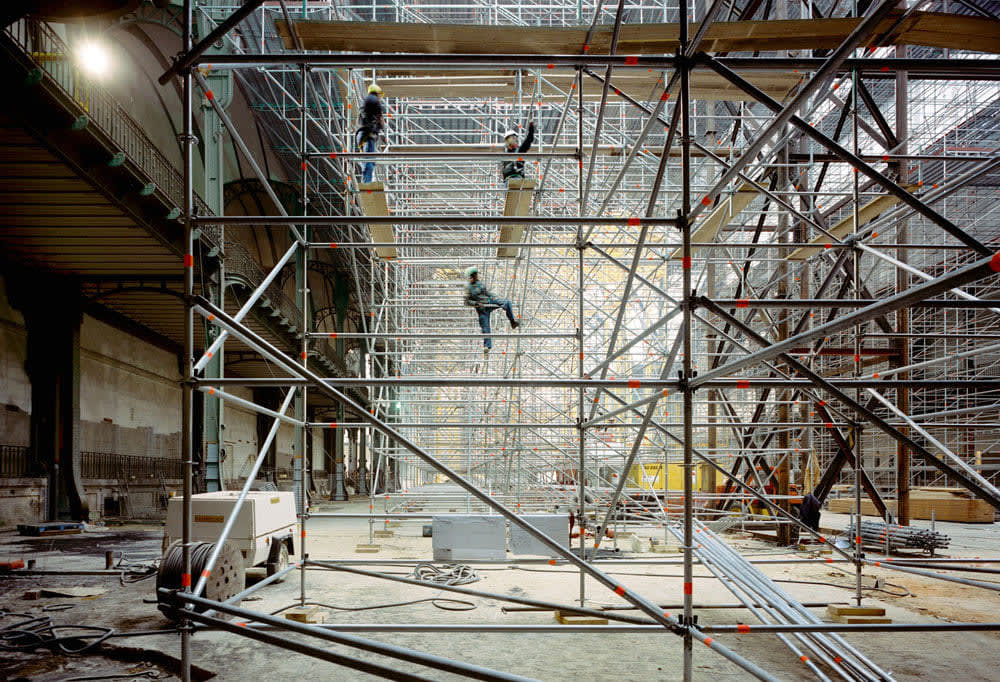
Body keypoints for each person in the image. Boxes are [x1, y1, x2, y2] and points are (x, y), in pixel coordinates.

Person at [463, 266, 519, 352]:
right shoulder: (468, 287)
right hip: (482, 309)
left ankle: (512, 321)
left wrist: (493, 297)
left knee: (507, 303)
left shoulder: (480, 284)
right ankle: (487, 346)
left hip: (489, 302)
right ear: (471, 276)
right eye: (475, 275)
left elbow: (487, 293)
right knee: (485, 327)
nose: (476, 277)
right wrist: (476, 303)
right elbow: (467, 302)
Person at [355, 83, 385, 184]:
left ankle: (367, 181)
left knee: (368, 160)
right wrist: (377, 128)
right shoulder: (373, 100)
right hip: (367, 134)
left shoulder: (367, 102)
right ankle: (366, 183)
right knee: (369, 160)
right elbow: (379, 118)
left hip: (363, 134)